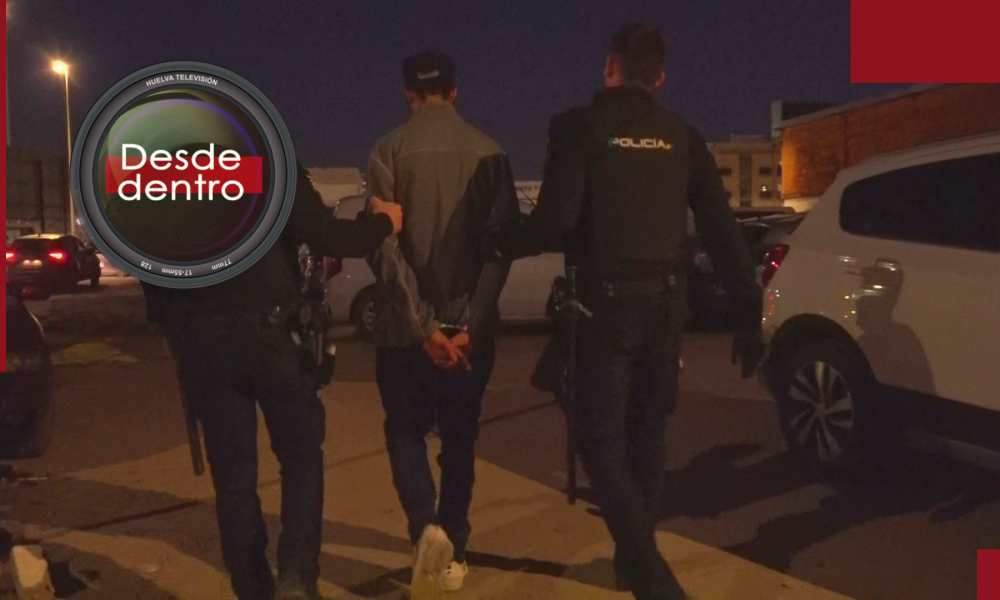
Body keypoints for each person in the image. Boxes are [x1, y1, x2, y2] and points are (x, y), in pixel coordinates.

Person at [492, 24, 764, 600]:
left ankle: (650, 574)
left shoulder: (579, 127)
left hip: (606, 306)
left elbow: (557, 221)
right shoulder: (683, 137)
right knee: (647, 432)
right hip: (668, 304)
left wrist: (501, 240)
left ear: (609, 67)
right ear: (660, 77)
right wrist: (751, 309)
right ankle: (634, 562)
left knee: (599, 442)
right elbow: (721, 230)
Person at [141, 164, 402, 600]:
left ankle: (252, 586)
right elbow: (329, 238)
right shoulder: (268, 162)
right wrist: (383, 222)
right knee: (301, 458)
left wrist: (171, 323)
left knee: (232, 474)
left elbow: (147, 262)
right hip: (272, 329)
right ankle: (296, 580)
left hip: (201, 336)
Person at [366, 51, 519, 595]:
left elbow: (384, 249)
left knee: (404, 429)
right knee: (459, 438)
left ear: (409, 94)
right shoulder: (491, 152)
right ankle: (454, 549)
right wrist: (471, 322)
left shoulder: (387, 152)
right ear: (455, 91)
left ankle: (425, 530)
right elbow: (501, 248)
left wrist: (422, 327)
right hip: (468, 331)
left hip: (405, 333)